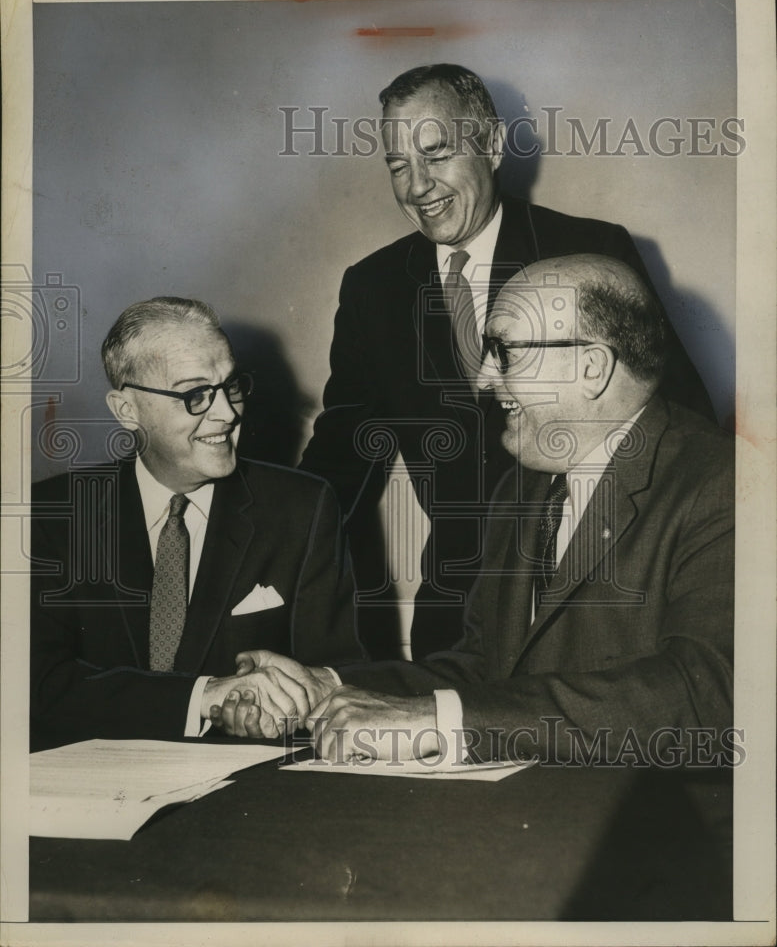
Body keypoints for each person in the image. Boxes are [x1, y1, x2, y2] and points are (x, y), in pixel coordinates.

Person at [220, 255, 733, 766]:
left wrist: (444, 723)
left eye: (503, 350)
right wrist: (323, 685)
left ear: (591, 368)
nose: (485, 379)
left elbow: (705, 694)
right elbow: (482, 670)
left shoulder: (725, 484)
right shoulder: (524, 486)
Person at [299, 63, 713, 661]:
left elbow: (680, 422)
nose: (417, 186)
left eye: (436, 154)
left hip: (596, 596)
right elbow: (340, 458)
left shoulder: (591, 251)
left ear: (492, 146)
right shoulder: (373, 288)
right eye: (397, 165)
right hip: (456, 616)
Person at [30, 297, 362, 751]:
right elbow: (35, 684)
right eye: (195, 394)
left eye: (232, 386)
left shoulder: (302, 508)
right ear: (127, 410)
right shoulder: (54, 515)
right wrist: (203, 697)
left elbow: (339, 678)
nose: (227, 413)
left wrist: (279, 710)